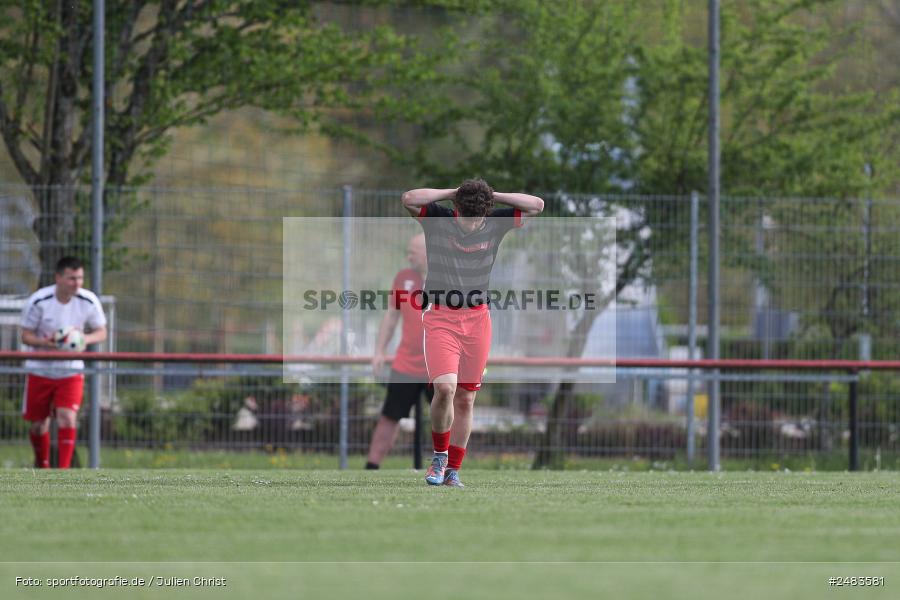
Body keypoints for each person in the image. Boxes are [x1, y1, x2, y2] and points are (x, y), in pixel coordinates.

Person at [401, 179, 543, 486]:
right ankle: (439, 459)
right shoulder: (438, 220)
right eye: (467, 217)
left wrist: (491, 195)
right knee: (445, 389)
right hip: (440, 317)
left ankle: (453, 471)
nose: (472, 224)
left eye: (477, 218)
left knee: (466, 399)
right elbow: (409, 198)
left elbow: (537, 205)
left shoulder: (494, 223)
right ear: (456, 208)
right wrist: (455, 193)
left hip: (478, 320)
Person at [20, 256, 107, 469]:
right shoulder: (39, 301)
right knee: (39, 425)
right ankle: (43, 467)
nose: (77, 283)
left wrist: (82, 339)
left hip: (70, 371)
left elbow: (101, 332)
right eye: (71, 278)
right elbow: (26, 335)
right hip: (40, 370)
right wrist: (46, 343)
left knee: (67, 417)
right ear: (58, 278)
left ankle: (63, 473)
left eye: (80, 278)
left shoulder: (88, 300)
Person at [365, 234, 430, 469]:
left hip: (440, 365)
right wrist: (379, 351)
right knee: (389, 417)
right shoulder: (403, 279)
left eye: (413, 252)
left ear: (429, 251)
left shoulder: (449, 278)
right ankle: (371, 469)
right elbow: (392, 316)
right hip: (406, 364)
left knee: (449, 414)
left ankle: (450, 468)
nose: (409, 256)